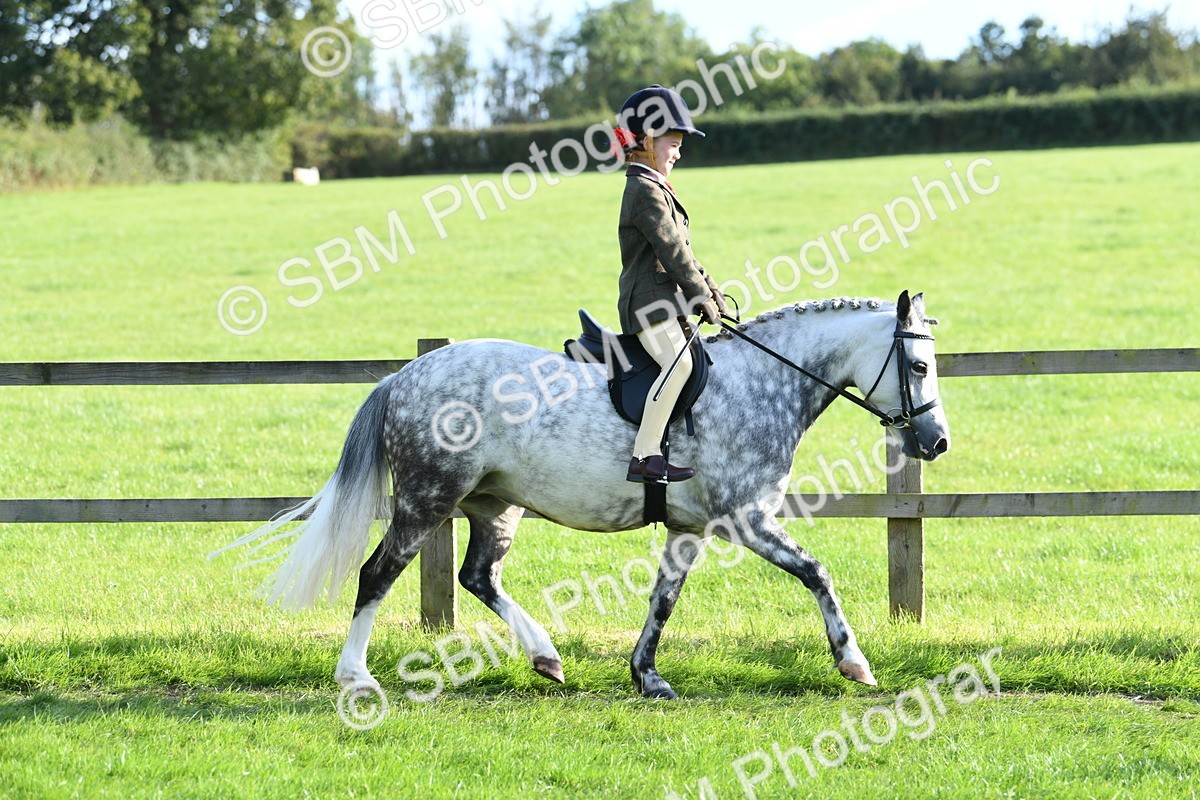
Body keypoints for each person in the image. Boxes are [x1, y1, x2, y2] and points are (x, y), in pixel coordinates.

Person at [613, 85, 727, 484]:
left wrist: (711, 291)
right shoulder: (644, 190)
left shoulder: (656, 187)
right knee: (680, 364)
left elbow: (684, 251)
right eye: (673, 144)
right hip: (648, 304)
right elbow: (672, 253)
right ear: (644, 141)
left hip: (664, 301)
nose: (678, 153)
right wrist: (698, 295)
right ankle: (644, 456)